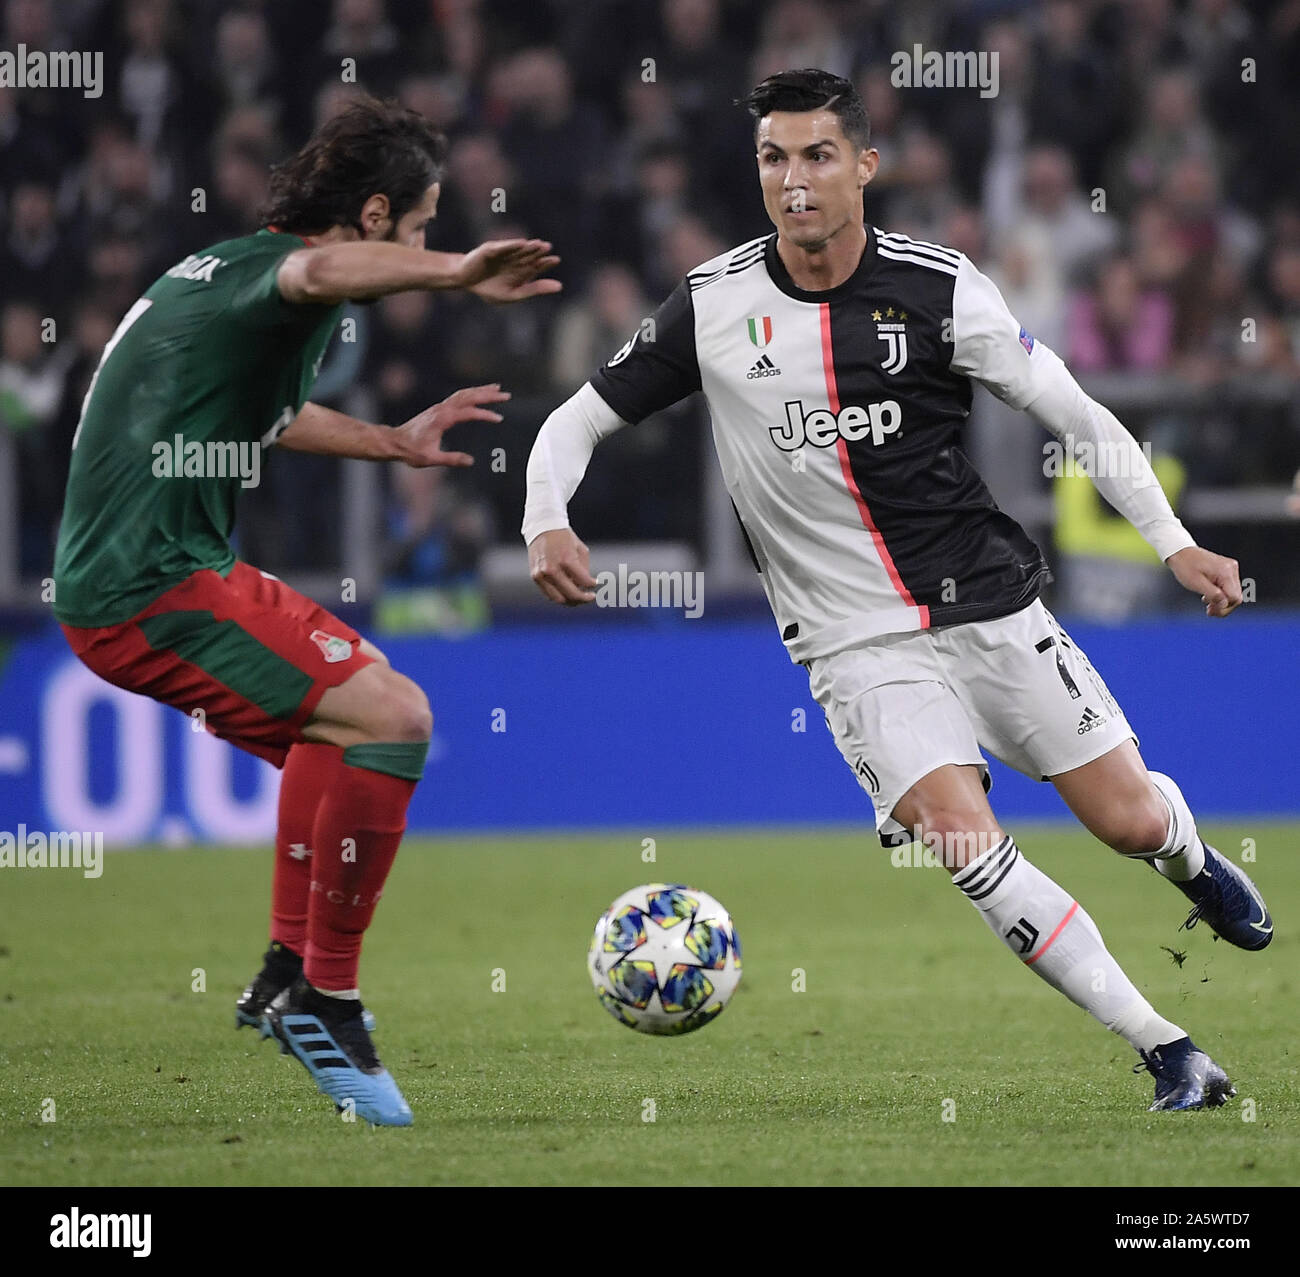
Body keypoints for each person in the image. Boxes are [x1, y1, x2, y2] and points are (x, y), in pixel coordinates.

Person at [523, 69, 1270, 1113]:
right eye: (774, 158)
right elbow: (575, 422)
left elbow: (1079, 414)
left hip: (988, 603)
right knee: (961, 839)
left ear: (865, 165)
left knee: (1129, 820)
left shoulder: (940, 287)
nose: (793, 181)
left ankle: (1188, 858)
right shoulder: (713, 304)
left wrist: (1174, 542)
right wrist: (546, 516)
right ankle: (1168, 1046)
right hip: (850, 642)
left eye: (817, 155)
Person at [52, 95, 560, 1127]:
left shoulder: (230, 280)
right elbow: (322, 270)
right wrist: (457, 270)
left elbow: (270, 417)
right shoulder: (282, 273)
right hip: (147, 585)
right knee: (396, 717)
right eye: (416, 226)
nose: (422, 246)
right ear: (374, 217)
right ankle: (324, 992)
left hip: (173, 566)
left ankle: (290, 975)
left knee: (349, 734)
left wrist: (390, 440)